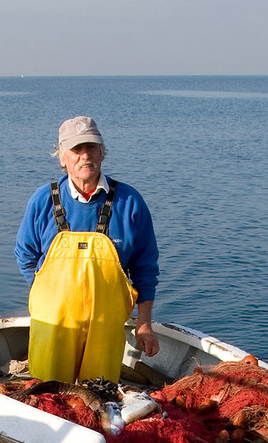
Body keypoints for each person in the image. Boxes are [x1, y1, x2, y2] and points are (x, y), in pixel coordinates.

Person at [14, 116, 160, 383]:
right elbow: (25, 255)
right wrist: (48, 294)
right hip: (53, 326)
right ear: (62, 157)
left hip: (105, 330)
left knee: (99, 397)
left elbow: (145, 269)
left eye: (91, 148)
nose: (84, 156)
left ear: (102, 153)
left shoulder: (130, 203)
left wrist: (144, 323)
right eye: (76, 149)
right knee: (48, 397)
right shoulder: (42, 201)